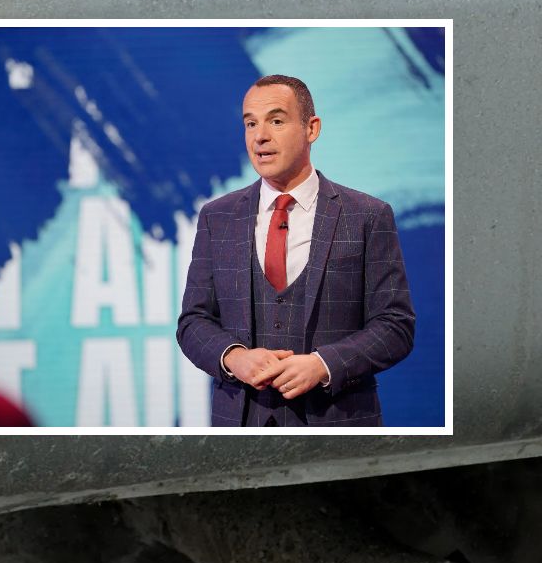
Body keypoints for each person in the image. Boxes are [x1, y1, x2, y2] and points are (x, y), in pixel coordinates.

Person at [176, 74, 415, 427]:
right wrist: (234, 357)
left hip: (339, 424)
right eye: (250, 124)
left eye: (276, 121)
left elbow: (395, 326)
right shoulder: (218, 217)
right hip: (240, 426)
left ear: (311, 128)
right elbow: (194, 322)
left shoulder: (367, 215)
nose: (260, 137)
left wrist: (324, 365)